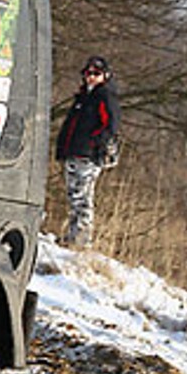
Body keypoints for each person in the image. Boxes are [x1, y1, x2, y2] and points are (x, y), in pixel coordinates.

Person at [55, 55, 120, 248]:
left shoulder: (104, 96)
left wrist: (93, 142)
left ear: (105, 76)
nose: (91, 77)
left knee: (83, 198)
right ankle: (74, 235)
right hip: (73, 153)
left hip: (88, 156)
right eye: (88, 73)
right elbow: (70, 126)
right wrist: (62, 148)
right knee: (74, 195)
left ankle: (81, 240)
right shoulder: (83, 96)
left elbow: (111, 125)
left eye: (96, 73)